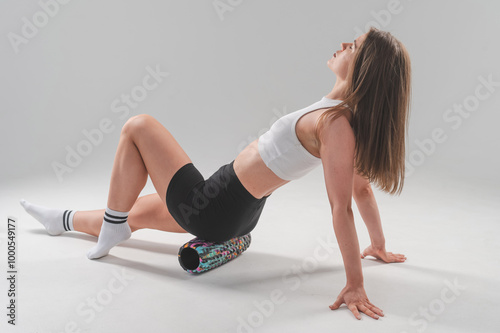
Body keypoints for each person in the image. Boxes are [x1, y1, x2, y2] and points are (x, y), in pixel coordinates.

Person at [21, 26, 411, 320]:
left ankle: (112, 222)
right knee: (130, 217)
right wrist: (377, 245)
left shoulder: (336, 125)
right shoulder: (338, 116)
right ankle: (64, 221)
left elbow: (343, 205)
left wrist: (356, 283)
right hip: (232, 209)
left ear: (364, 69)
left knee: (138, 126)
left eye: (354, 46)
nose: (344, 44)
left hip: (211, 208)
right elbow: (362, 192)